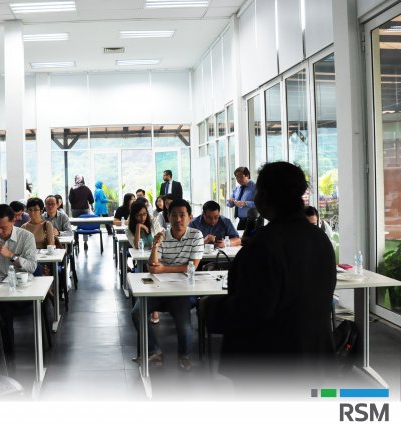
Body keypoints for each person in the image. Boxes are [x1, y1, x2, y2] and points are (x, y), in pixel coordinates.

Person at [211, 162, 337, 387]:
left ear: (267, 196)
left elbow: (252, 309)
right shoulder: (320, 239)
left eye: (258, 190)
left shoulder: (265, 244)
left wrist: (212, 308)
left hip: (269, 364)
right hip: (313, 358)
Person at [131, 199, 203, 372]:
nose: (178, 219)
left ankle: (183, 355)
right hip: (159, 289)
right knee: (137, 313)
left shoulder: (196, 235)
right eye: (174, 215)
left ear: (190, 217)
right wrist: (155, 246)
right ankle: (155, 351)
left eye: (182, 215)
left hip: (182, 290)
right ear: (168, 217)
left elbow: (192, 266)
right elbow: (152, 266)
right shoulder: (163, 234)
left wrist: (164, 269)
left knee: (185, 326)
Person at [0, 204, 38, 356]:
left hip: (23, 289)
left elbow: (31, 266)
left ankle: (6, 355)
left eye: (3, 227)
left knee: (2, 309)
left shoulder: (26, 236)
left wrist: (11, 255)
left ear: (13, 221)